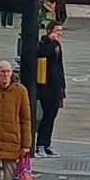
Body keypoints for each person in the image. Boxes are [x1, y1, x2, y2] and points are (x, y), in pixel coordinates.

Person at [33, 21, 66, 155]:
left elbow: (59, 67)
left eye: (61, 31)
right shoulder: (44, 44)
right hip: (46, 86)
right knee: (47, 115)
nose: (59, 33)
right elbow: (43, 54)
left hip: (56, 86)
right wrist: (51, 43)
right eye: (57, 31)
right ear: (49, 31)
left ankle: (47, 143)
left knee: (52, 115)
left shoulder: (57, 45)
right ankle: (40, 143)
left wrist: (62, 87)